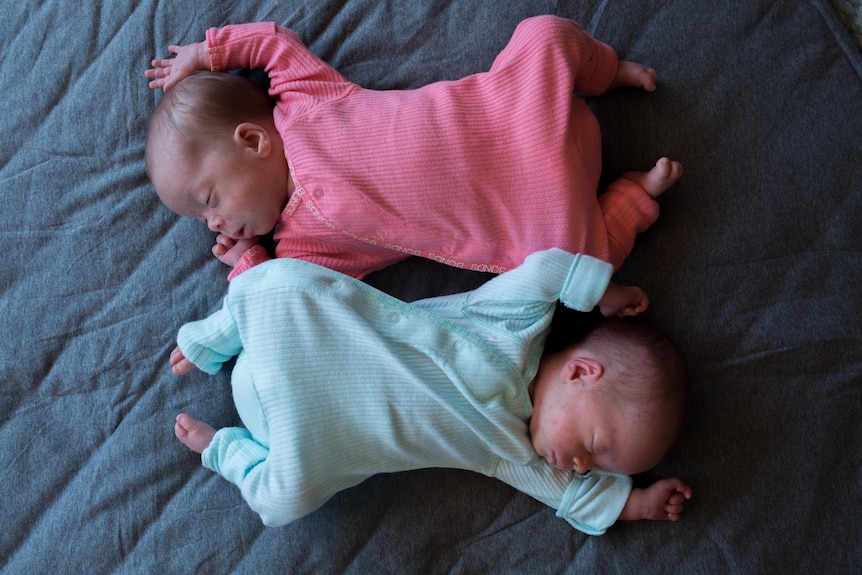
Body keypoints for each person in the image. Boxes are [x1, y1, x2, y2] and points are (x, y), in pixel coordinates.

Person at [169, 248, 692, 535]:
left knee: (283, 502)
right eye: (594, 446)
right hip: (307, 348)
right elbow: (547, 271)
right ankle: (217, 336)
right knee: (286, 283)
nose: (579, 463)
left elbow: (569, 494)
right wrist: (606, 293)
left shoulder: (512, 453)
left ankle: (225, 452)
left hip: (302, 445)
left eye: (594, 466)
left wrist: (640, 504)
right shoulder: (512, 325)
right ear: (581, 373)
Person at [145, 16, 683, 281]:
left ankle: (606, 72)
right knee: (579, 278)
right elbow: (289, 296)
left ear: (253, 140)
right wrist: (250, 262)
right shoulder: (303, 248)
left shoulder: (304, 100)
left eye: (208, 199)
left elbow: (272, 43)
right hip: (534, 212)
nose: (211, 224)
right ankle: (629, 201)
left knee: (545, 34)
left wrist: (209, 52)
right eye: (201, 218)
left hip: (513, 109)